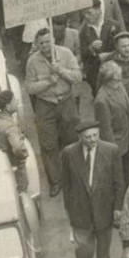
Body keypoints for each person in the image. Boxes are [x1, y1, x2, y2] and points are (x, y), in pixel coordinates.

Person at [60, 118, 125, 258]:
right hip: (80, 209)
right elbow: (66, 184)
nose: (93, 140)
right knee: (83, 247)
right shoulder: (69, 153)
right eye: (88, 137)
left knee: (104, 242)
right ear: (80, 137)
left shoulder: (111, 151)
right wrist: (69, 209)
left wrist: (118, 207)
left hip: (105, 207)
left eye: (95, 135)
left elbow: (119, 182)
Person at [26, 26, 83, 197]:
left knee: (72, 140)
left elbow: (78, 77)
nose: (45, 45)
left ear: (54, 41)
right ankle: (55, 181)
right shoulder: (32, 61)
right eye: (41, 43)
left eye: (48, 42)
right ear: (36, 44)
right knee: (48, 143)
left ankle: (74, 177)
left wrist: (61, 71)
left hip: (66, 101)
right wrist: (48, 82)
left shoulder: (65, 54)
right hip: (45, 104)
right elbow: (30, 87)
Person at [0, 89, 30, 192]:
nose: (17, 102)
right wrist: (24, 156)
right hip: (14, 167)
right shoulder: (10, 126)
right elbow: (18, 148)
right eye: (14, 100)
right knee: (22, 193)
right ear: (8, 106)